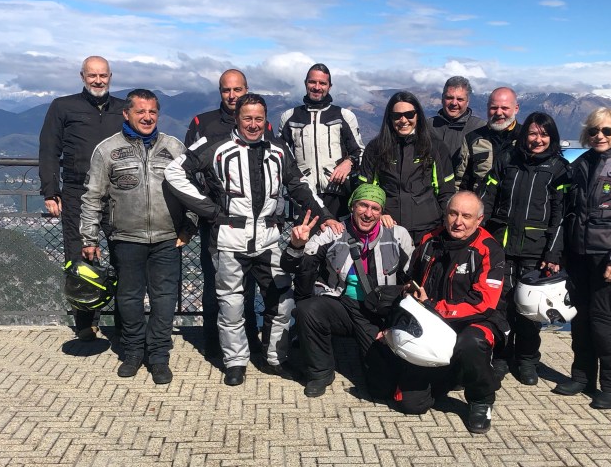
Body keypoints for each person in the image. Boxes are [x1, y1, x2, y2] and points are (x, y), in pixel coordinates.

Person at [164, 93, 335, 386]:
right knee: (231, 306)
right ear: (237, 118)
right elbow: (174, 171)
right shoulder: (214, 145)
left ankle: (274, 359)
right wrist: (209, 209)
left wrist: (324, 214)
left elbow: (298, 185)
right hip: (229, 240)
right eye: (247, 118)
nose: (253, 124)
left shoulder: (278, 149)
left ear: (265, 120)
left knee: (283, 301)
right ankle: (235, 362)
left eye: (258, 118)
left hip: (269, 241)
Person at [79, 89, 191, 384]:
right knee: (128, 299)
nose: (147, 117)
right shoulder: (107, 150)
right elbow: (92, 196)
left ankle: (158, 356)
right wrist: (89, 238)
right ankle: (132, 352)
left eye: (152, 112)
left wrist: (188, 226)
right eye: (140, 111)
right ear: (126, 114)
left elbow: (193, 190)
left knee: (164, 299)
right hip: (126, 237)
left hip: (168, 237)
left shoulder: (174, 148)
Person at [553, 107, 611, 410]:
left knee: (605, 322)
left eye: (607, 130)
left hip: (607, 258)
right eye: (594, 130)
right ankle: (582, 377)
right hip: (578, 255)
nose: (600, 136)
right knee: (580, 320)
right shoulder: (580, 164)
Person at [280, 183, 413, 398]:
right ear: (352, 206)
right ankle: (320, 373)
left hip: (377, 311)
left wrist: (396, 323)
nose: (368, 213)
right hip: (341, 304)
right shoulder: (332, 232)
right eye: (362, 205)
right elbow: (295, 267)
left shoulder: (398, 234)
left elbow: (411, 278)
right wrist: (296, 245)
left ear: (382, 212)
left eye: (375, 208)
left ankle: (369, 356)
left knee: (381, 389)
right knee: (308, 309)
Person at [392, 191, 508, 434]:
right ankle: (453, 373)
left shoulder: (489, 248)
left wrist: (434, 307)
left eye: (466, 216)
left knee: (471, 343)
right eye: (453, 214)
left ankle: (481, 399)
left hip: (477, 321)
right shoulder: (429, 240)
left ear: (479, 220)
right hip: (433, 320)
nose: (458, 222)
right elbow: (411, 279)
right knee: (411, 404)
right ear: (445, 215)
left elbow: (484, 303)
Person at [185, 69, 271, 358]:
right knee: (215, 283)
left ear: (246, 89)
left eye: (237, 90)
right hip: (216, 221)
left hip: (252, 222)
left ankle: (248, 338)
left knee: (249, 284)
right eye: (226, 90)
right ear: (220, 92)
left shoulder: (261, 123)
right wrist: (205, 207)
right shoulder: (202, 123)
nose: (232, 95)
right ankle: (213, 341)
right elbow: (187, 169)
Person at [38, 55, 125, 341]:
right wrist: (51, 191)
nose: (98, 81)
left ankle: (125, 323)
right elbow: (49, 149)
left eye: (103, 75)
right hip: (78, 192)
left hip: (117, 193)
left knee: (124, 256)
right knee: (79, 259)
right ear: (82, 77)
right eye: (92, 75)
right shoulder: (63, 106)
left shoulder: (123, 109)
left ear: (110, 76)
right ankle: (86, 324)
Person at [480, 112, 570, 385]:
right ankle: (501, 357)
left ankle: (527, 360)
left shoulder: (559, 169)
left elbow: (561, 216)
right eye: (532, 133)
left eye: (544, 134)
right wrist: (479, 234)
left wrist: (552, 253)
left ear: (552, 137)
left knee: (531, 310)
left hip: (536, 250)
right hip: (502, 246)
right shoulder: (507, 159)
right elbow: (487, 197)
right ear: (524, 135)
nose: (537, 139)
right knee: (501, 307)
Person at [357, 91, 456, 245]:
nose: (403, 120)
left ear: (418, 115)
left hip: (428, 229)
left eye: (409, 114)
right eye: (397, 116)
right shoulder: (376, 148)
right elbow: (365, 190)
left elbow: (446, 192)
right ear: (389, 118)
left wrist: (445, 226)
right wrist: (379, 214)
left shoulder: (435, 146)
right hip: (388, 227)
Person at [279, 63, 365, 218]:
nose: (317, 87)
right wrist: (295, 178)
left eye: (322, 83)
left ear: (329, 86)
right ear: (305, 83)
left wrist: (349, 162)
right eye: (312, 82)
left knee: (338, 233)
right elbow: (280, 155)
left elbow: (359, 151)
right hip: (304, 193)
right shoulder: (290, 117)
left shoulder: (344, 116)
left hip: (338, 193)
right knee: (306, 234)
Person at [456, 87, 523, 191]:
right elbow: (461, 180)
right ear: (487, 108)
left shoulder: (526, 138)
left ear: (516, 108)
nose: (499, 113)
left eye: (505, 108)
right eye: (494, 108)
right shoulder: (473, 138)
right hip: (479, 198)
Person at [430, 76, 484, 182]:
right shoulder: (427, 126)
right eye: (449, 98)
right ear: (442, 99)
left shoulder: (480, 128)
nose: (454, 103)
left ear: (467, 102)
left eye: (460, 99)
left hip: (465, 189)